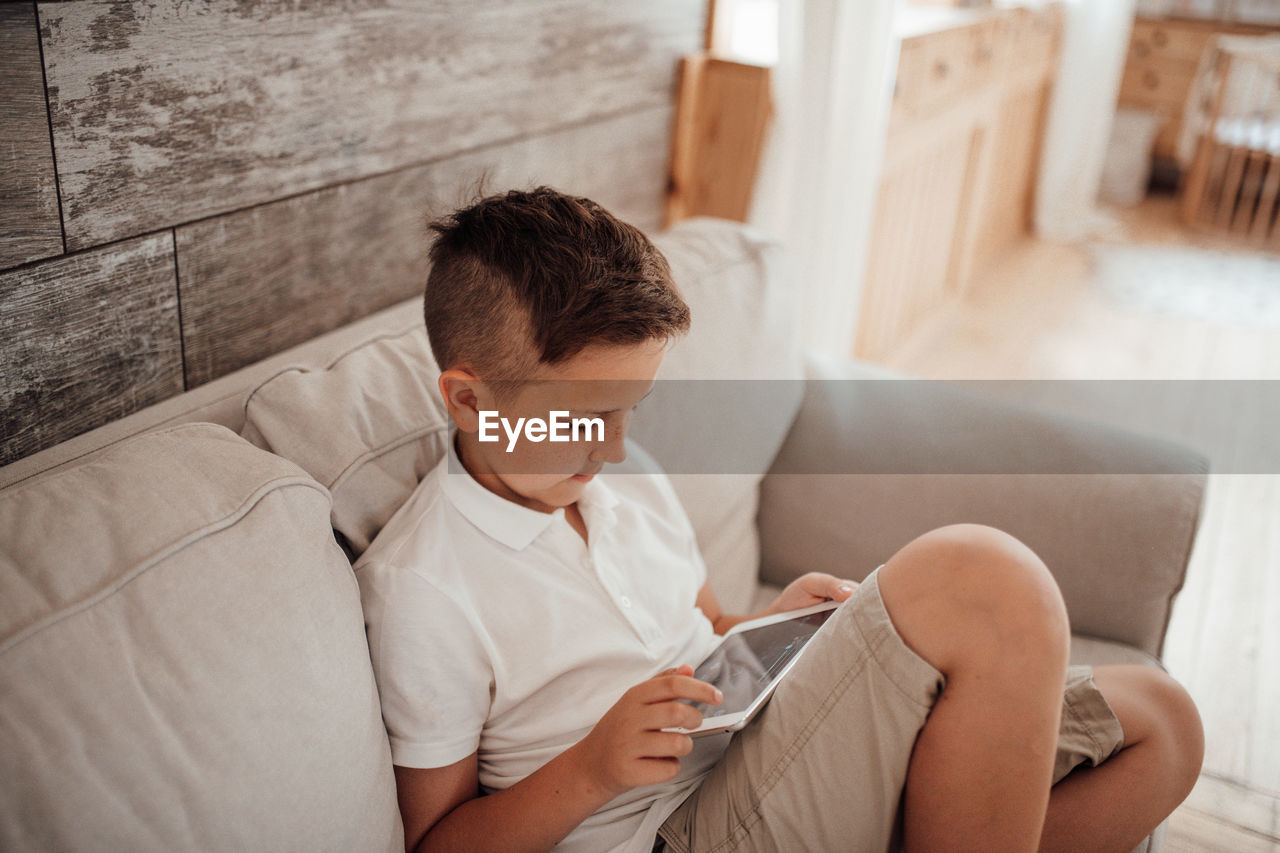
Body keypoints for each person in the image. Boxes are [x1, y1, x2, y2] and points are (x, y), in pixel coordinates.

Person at [353, 187, 1204, 853]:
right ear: (469, 399)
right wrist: (591, 767)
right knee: (984, 580)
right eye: (582, 417)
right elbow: (435, 840)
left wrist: (776, 627)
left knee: (1161, 721)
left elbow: (711, 629)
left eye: (630, 409)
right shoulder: (424, 585)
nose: (610, 447)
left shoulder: (625, 483)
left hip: (772, 759)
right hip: (672, 828)